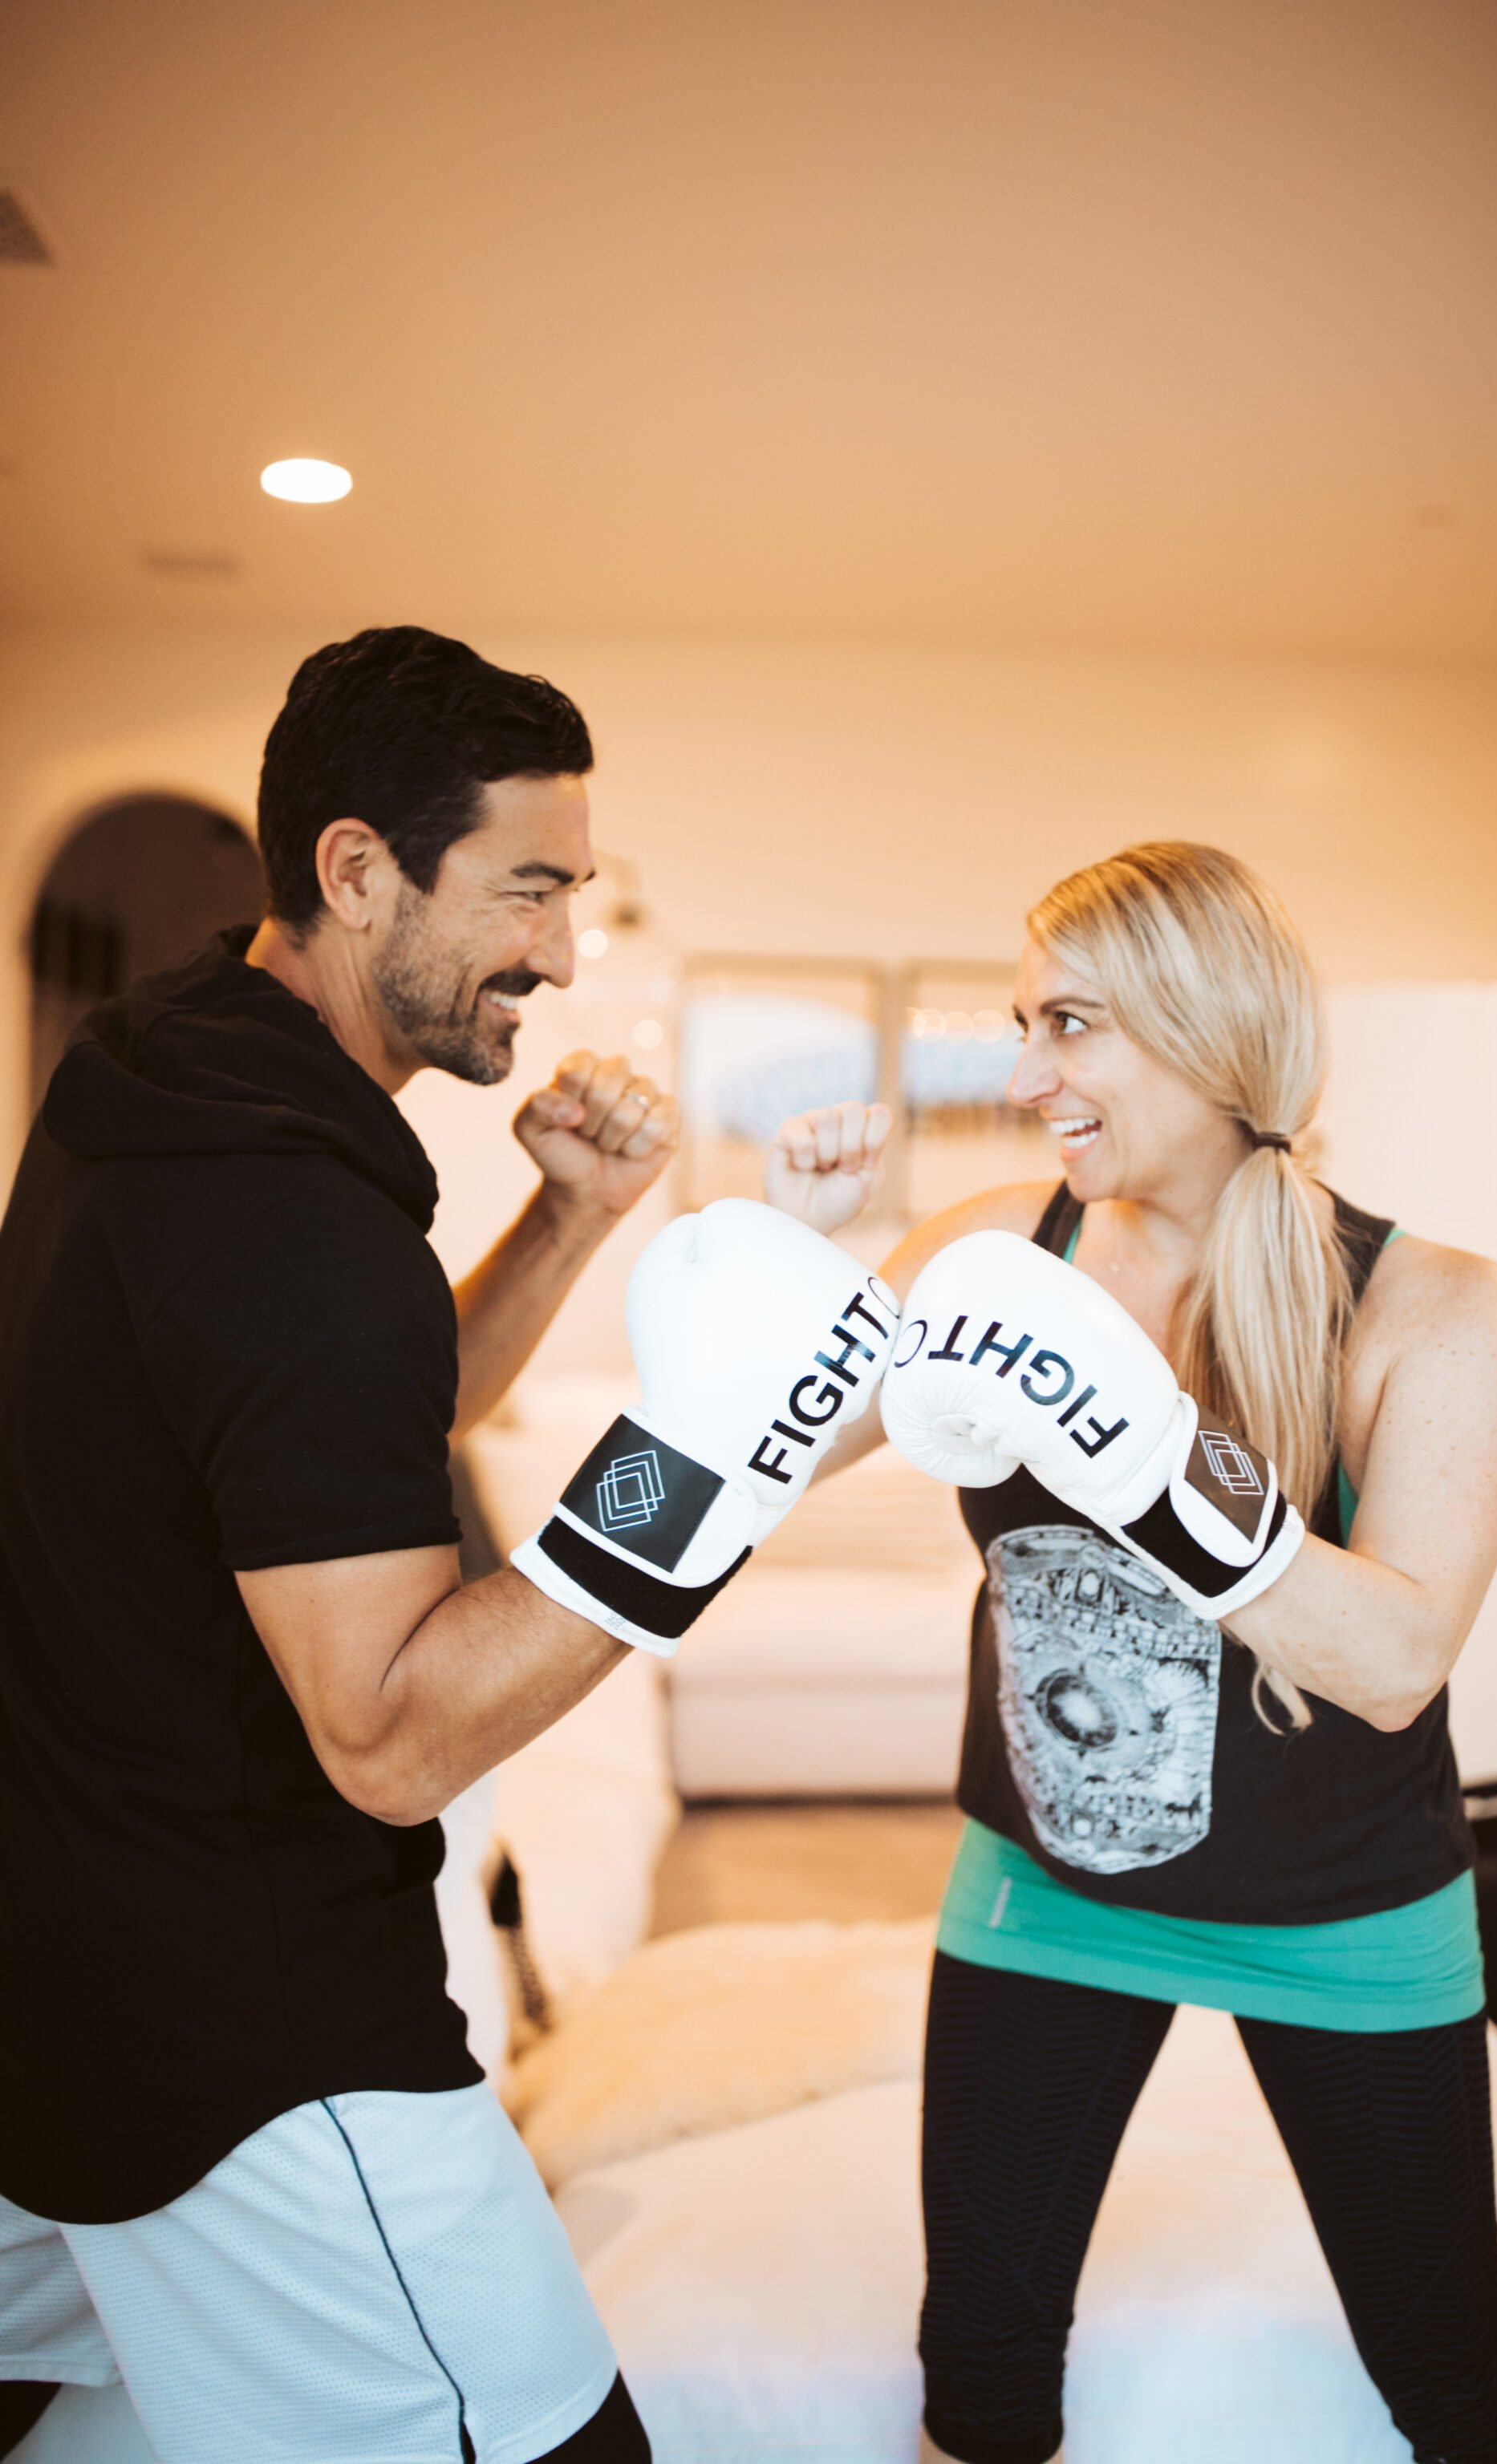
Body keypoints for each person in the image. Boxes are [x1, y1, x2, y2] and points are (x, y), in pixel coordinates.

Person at [0, 626, 888, 2464]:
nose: (561, 954)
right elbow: (394, 1734)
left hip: (67, 1968)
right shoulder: (286, 1217)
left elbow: (343, 1449)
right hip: (256, 2045)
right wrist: (709, 1456)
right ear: (354, 869)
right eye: (529, 889)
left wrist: (564, 1227)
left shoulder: (153, 1084)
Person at [765, 841, 1497, 2464]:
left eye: (1068, 1026)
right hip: (1044, 1890)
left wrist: (1139, 1443)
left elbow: (1397, 1656)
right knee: (980, 2379)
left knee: (1452, 2382)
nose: (1021, 1075)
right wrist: (806, 1268)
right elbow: (775, 1457)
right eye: (1018, 1024)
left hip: (1348, 1915)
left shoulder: (1438, 1307)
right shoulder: (1001, 1248)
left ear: (1204, 1032)